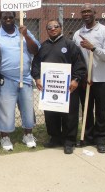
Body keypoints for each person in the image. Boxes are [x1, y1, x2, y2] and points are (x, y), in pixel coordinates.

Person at [31, 19, 87, 154]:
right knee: (51, 114)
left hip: (68, 88)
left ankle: (69, 141)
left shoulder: (70, 45)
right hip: (49, 89)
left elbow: (80, 65)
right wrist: (37, 78)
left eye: (56, 26)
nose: (53, 29)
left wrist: (76, 80)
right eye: (49, 27)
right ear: (47, 31)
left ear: (60, 28)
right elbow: (36, 65)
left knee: (69, 115)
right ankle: (55, 138)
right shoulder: (43, 47)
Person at [0, 11, 40, 151]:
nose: (8, 19)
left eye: (11, 17)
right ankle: (5, 137)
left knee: (27, 108)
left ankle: (28, 135)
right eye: (5, 17)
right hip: (5, 79)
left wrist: (25, 35)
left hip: (25, 78)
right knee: (5, 109)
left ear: (15, 18)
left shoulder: (24, 32)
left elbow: (35, 50)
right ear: (0, 18)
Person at [73, 3, 105, 153]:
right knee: (86, 110)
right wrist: (82, 76)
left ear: (94, 13)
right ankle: (88, 137)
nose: (86, 14)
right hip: (86, 80)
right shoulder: (78, 34)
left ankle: (101, 140)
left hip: (103, 80)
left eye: (88, 11)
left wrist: (93, 48)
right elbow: (76, 57)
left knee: (102, 112)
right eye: (83, 11)